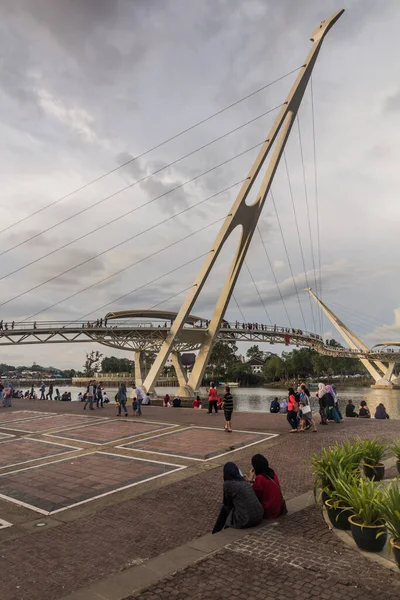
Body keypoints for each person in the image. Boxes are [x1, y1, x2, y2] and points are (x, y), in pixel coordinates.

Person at [212, 462, 263, 534]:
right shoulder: (243, 481)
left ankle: (216, 531)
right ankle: (217, 530)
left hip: (247, 519)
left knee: (224, 508)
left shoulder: (228, 484)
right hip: (259, 515)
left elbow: (227, 504)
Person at [246, 454, 285, 519]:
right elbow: (266, 484)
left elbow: (253, 494)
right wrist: (251, 480)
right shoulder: (272, 472)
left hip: (269, 511)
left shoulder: (259, 478)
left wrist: (250, 478)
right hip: (278, 507)